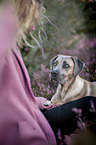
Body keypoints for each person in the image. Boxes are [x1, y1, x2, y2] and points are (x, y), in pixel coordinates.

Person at [0, 0, 96, 145]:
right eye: (34, 18)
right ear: (24, 13)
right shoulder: (4, 46)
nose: (33, 28)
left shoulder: (11, 44)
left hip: (33, 114)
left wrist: (39, 101)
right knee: (90, 102)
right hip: (27, 127)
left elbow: (16, 97)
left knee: (89, 101)